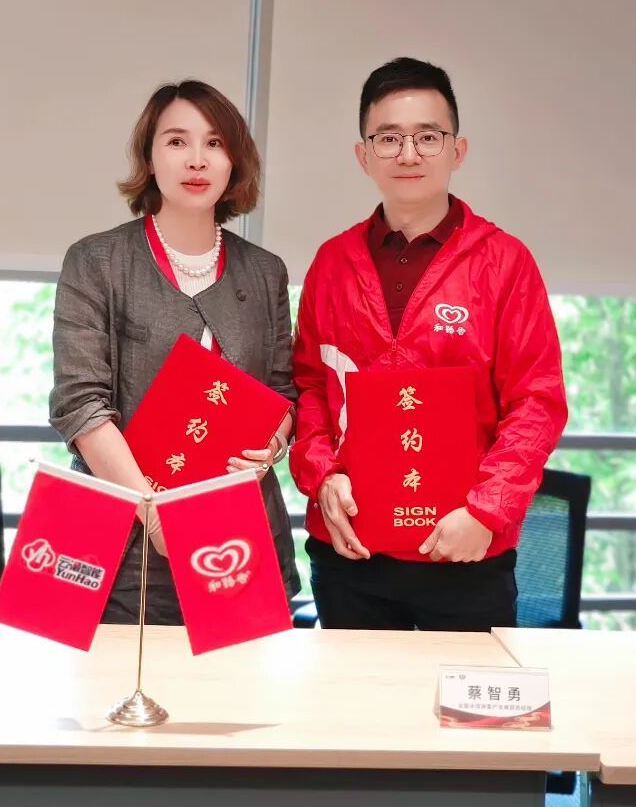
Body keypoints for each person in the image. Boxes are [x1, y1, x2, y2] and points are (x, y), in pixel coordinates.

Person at [290, 58, 568, 631]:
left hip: (466, 549)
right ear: (364, 155)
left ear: (456, 150)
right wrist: (322, 479)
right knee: (354, 690)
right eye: (388, 138)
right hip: (351, 550)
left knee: (466, 692)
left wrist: (486, 511)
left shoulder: (504, 262)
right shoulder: (332, 263)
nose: (408, 154)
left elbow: (536, 402)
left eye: (427, 137)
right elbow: (311, 387)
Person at [49, 80, 299, 625]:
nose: (197, 160)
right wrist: (155, 513)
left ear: (234, 161)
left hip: (239, 536)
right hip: (121, 541)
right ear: (149, 156)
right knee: (118, 678)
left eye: (215, 143)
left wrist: (272, 446)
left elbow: (282, 393)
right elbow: (80, 405)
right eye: (177, 141)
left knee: (244, 680)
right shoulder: (97, 261)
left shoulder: (266, 272)